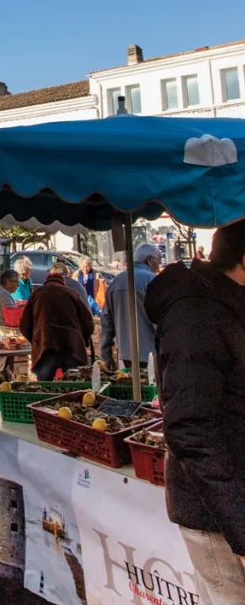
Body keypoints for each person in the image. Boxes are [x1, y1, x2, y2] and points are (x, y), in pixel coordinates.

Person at [144, 220, 245, 605]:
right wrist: (240, 529)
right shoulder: (197, 317)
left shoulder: (229, 305)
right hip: (216, 516)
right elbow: (190, 429)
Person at [20, 264, 94, 381]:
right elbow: (88, 322)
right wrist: (83, 340)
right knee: (74, 388)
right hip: (71, 346)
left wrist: (36, 340)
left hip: (45, 347)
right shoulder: (71, 293)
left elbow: (24, 325)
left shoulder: (37, 293)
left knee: (44, 388)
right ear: (63, 281)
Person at [100, 243, 159, 369]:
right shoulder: (153, 280)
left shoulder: (116, 282)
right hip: (153, 352)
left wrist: (106, 354)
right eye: (157, 262)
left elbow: (106, 321)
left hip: (125, 352)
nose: (158, 267)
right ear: (149, 259)